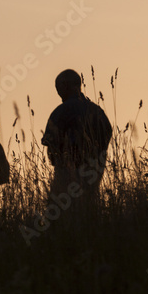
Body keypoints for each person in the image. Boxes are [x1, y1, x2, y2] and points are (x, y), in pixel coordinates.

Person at [41, 69, 113, 212]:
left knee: (59, 212)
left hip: (66, 174)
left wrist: (61, 162)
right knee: (89, 207)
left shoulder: (61, 110)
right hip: (94, 172)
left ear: (65, 86)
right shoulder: (97, 111)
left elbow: (50, 144)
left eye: (58, 88)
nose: (57, 92)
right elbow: (107, 135)